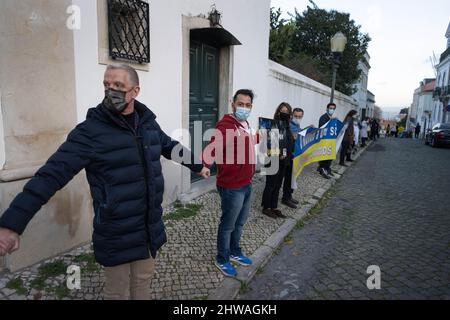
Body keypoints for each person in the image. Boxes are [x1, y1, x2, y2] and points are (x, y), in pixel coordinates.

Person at [0, 64, 210, 300]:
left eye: (119, 86)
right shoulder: (89, 132)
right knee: (116, 293)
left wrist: (197, 164)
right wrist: (12, 224)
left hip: (148, 227)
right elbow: (51, 174)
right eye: (106, 85)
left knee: (143, 284)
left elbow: (169, 145)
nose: (111, 91)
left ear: (135, 91)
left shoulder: (147, 123)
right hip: (115, 231)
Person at [202, 89, 259, 278]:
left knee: (240, 223)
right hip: (231, 186)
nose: (244, 107)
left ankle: (235, 252)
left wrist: (263, 135)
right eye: (240, 104)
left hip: (247, 183)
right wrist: (205, 164)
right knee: (228, 225)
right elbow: (212, 146)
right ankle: (222, 258)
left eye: (248, 105)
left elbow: (248, 140)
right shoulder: (226, 124)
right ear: (232, 103)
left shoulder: (244, 123)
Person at [261, 102, 294, 219]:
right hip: (272, 159)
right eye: (282, 111)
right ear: (278, 112)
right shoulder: (272, 124)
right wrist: (277, 154)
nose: (285, 113)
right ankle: (266, 207)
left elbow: (285, 142)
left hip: (284, 160)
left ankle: (274, 207)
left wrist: (287, 153)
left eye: (287, 112)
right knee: (270, 184)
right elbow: (269, 142)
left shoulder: (287, 126)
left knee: (278, 184)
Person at [281, 108, 304, 209]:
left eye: (299, 117)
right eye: (296, 116)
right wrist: (292, 137)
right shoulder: (289, 125)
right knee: (288, 178)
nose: (297, 118)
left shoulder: (298, 126)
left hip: (296, 156)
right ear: (292, 115)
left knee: (293, 177)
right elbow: (284, 138)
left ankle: (289, 196)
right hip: (289, 157)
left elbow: (300, 135)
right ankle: (285, 198)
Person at [317, 103, 337, 179]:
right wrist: (331, 122)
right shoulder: (323, 117)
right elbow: (323, 128)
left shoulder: (333, 118)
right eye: (330, 108)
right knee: (324, 156)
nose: (332, 110)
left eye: (333, 108)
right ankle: (323, 169)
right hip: (324, 140)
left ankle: (327, 169)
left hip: (331, 141)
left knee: (329, 156)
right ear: (327, 108)